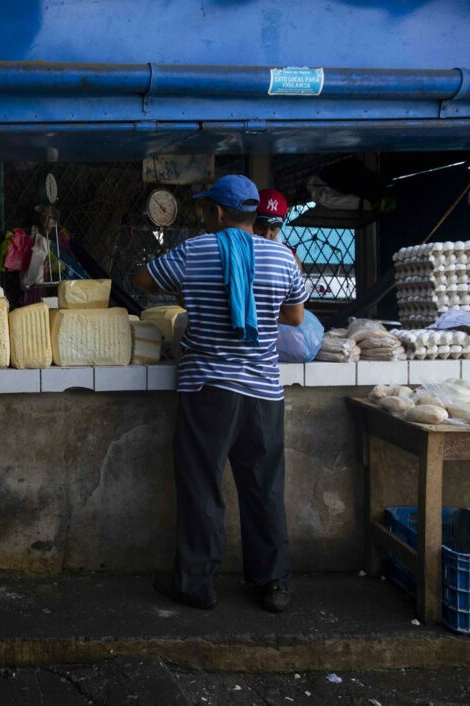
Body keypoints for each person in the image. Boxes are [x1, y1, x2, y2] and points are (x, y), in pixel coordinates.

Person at [133, 175, 307, 613]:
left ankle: (197, 584)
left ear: (217, 212)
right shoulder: (282, 257)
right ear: (253, 213)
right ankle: (272, 586)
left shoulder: (196, 250)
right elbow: (296, 314)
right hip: (264, 393)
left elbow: (142, 279)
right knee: (264, 488)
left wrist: (192, 289)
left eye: (206, 209)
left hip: (208, 388)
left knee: (201, 486)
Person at [253, 187, 303, 271]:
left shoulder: (291, 258)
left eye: (273, 229)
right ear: (252, 220)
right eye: (261, 227)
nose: (267, 235)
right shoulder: (238, 248)